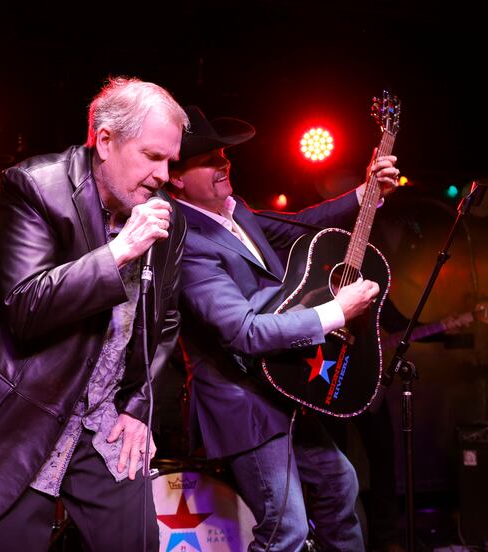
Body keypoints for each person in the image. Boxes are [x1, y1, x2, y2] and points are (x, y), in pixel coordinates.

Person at [0, 77, 189, 552]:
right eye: (152, 156)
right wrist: (120, 251)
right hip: (16, 416)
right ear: (105, 141)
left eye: (171, 160)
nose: (165, 174)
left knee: (139, 541)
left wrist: (138, 408)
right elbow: (26, 307)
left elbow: (163, 322)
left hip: (98, 416)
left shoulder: (166, 216)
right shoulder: (34, 187)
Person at [167, 106, 399, 551]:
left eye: (223, 155)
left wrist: (367, 193)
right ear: (177, 178)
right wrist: (336, 311)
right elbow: (243, 332)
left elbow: (304, 225)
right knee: (285, 529)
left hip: (282, 387)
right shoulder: (189, 242)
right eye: (209, 160)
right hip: (245, 407)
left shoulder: (237, 213)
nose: (224, 163)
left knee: (339, 486)